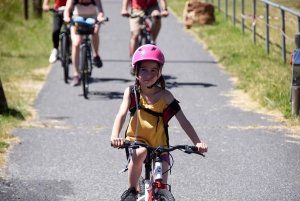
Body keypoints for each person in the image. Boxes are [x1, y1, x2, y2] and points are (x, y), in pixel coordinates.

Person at [110, 45, 208, 201]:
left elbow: (184, 121)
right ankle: (131, 191)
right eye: (144, 70)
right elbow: (121, 114)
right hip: (136, 143)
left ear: (160, 72)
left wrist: (198, 143)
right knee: (141, 152)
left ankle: (161, 196)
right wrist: (115, 136)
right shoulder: (132, 92)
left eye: (153, 70)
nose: (148, 74)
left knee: (161, 183)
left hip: (160, 146)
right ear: (136, 71)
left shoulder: (166, 96)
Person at [64, 0, 105, 86]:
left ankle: (96, 55)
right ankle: (76, 74)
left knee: (95, 33)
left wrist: (100, 17)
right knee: (76, 43)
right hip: (77, 20)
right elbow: (67, 9)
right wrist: (67, 17)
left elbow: (100, 11)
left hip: (92, 19)